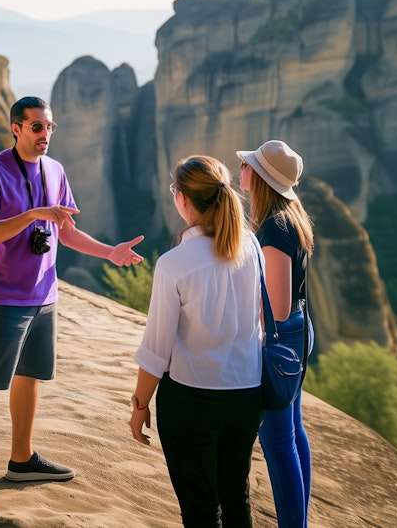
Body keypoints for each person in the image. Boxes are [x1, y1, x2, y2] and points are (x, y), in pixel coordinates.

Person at [0, 95, 145, 503]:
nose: (45, 134)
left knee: (29, 378)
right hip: (4, 297)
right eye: (36, 127)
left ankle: (21, 459)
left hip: (45, 296)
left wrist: (109, 251)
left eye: (49, 127)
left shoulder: (55, 170)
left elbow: (67, 231)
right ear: (16, 128)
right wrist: (32, 215)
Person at [129, 155, 265, 528]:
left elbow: (156, 349)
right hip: (248, 394)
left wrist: (140, 405)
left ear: (184, 200)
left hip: (192, 400)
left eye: (175, 190)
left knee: (201, 510)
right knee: (236, 498)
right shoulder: (252, 247)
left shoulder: (174, 262)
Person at [237, 140, 315, 528]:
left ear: (262, 179)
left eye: (248, 165)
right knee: (293, 431)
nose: (241, 170)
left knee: (277, 441)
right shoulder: (290, 216)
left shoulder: (273, 228)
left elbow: (278, 308)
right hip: (299, 333)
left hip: (282, 339)